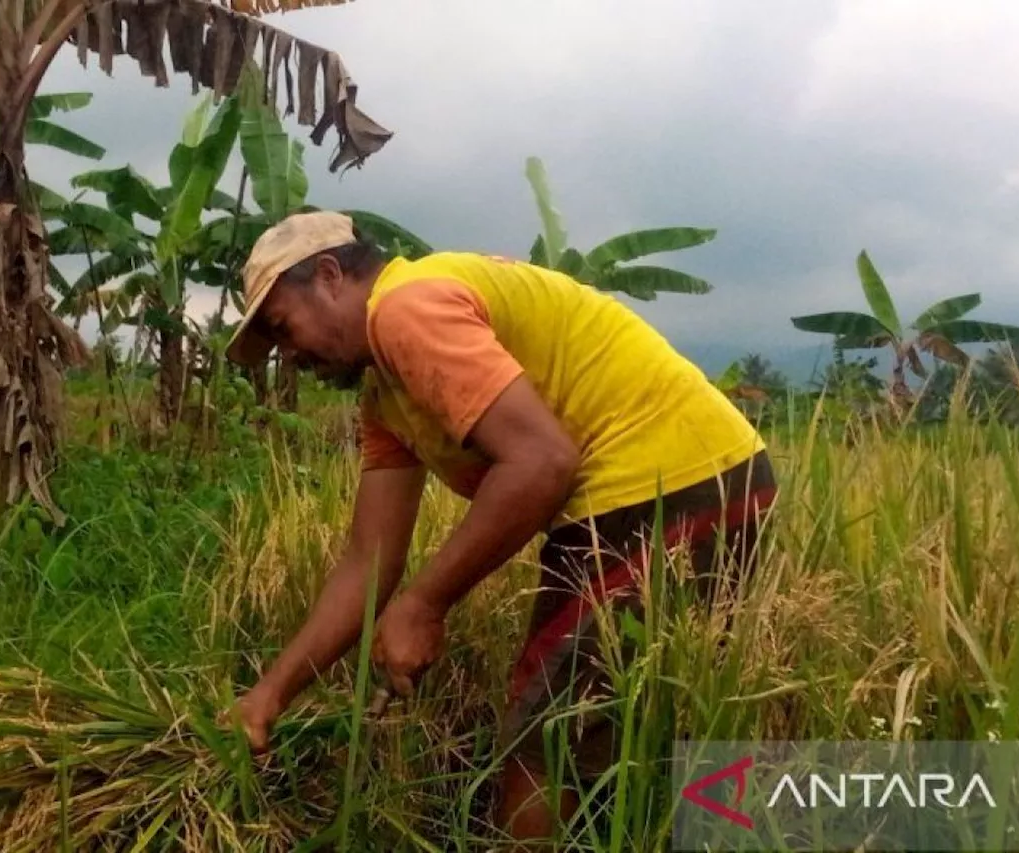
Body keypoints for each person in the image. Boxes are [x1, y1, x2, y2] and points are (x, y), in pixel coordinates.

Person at [224, 210, 777, 842]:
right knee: (608, 728)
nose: (288, 357)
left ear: (328, 276)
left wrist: (426, 605)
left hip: (664, 483)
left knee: (547, 737)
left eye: (281, 328)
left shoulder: (407, 308)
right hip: (703, 476)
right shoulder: (385, 394)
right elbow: (368, 560)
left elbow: (542, 462)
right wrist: (269, 697)